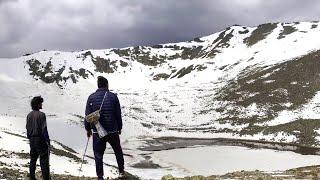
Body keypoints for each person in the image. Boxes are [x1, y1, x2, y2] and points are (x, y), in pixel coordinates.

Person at [85, 76, 124, 180]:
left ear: (98, 85)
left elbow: (87, 115)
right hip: (112, 130)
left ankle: (100, 176)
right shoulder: (113, 97)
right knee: (118, 151)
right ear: (106, 85)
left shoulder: (91, 97)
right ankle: (121, 172)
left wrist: (88, 129)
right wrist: (119, 127)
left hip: (97, 132)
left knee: (98, 154)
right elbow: (117, 114)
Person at [26, 96, 51, 180]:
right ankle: (46, 178)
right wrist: (47, 140)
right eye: (40, 103)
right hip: (40, 139)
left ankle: (32, 177)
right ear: (37, 105)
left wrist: (30, 138)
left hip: (32, 140)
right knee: (44, 160)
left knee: (33, 159)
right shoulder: (42, 115)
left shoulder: (29, 115)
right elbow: (44, 129)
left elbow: (27, 128)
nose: (41, 105)